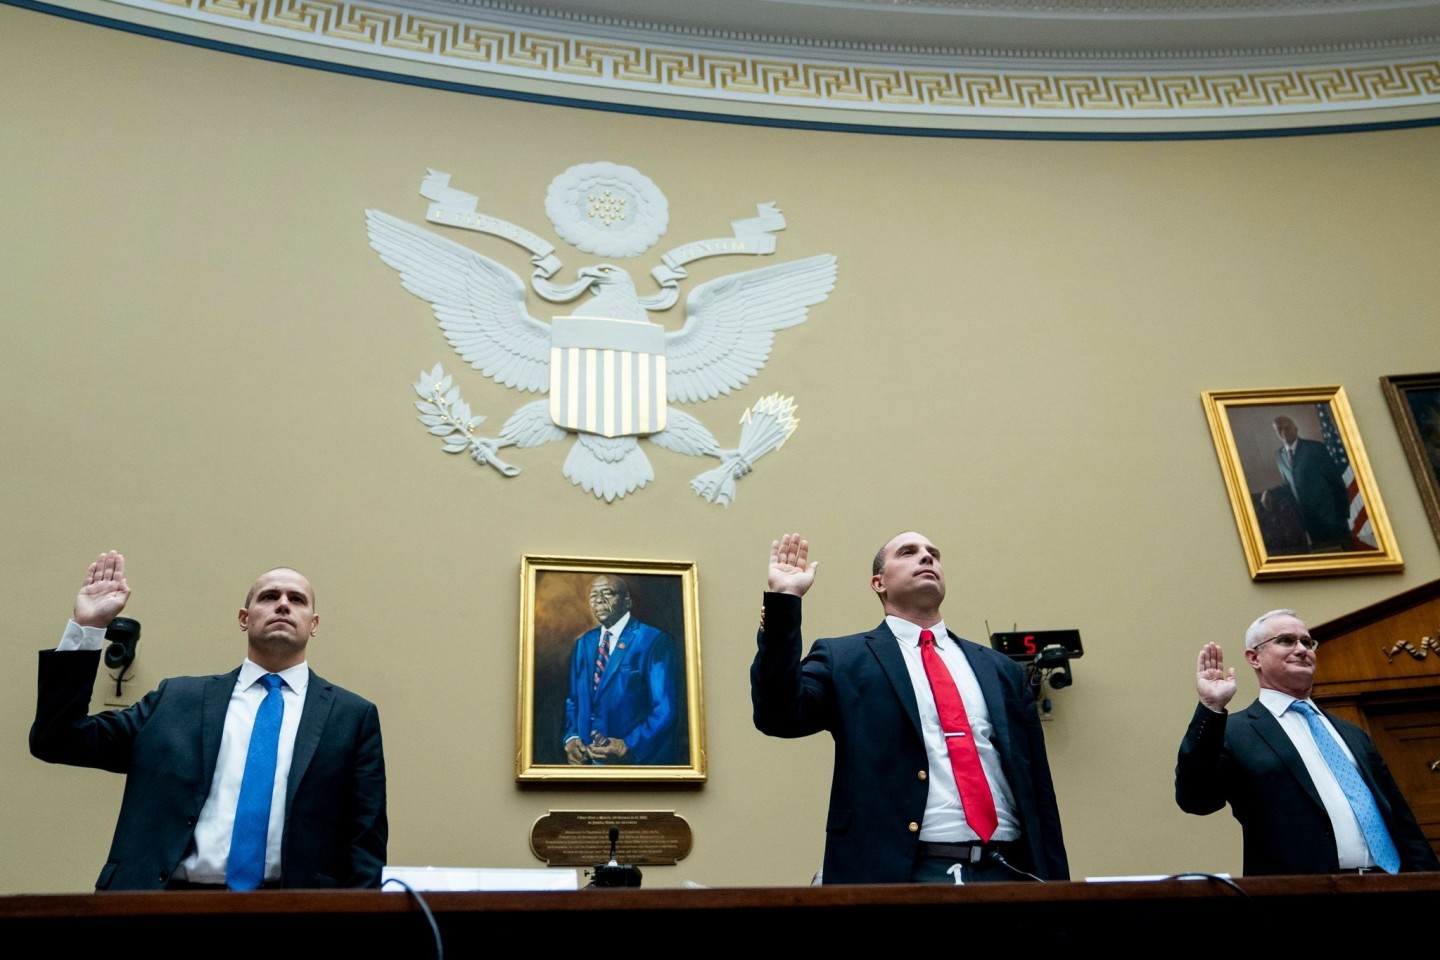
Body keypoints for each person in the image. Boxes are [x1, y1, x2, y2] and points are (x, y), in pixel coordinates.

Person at [30, 551, 388, 890]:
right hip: (168, 904)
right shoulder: (177, 701)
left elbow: (365, 843)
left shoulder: (351, 718)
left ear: (314, 624)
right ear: (244, 618)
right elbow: (58, 738)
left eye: (296, 599)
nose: (282, 604)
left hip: (294, 912)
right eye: (268, 597)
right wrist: (88, 628)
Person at [750, 532, 1069, 884]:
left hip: (1009, 868)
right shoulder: (845, 659)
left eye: (933, 552)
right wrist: (784, 601)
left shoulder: (1000, 669)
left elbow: (1039, 787)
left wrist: (1059, 888)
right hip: (905, 871)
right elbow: (777, 714)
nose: (927, 557)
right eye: (908, 552)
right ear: (879, 583)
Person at [1175, 608, 1436, 876]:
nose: (1302, 649)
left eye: (1307, 642)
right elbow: (1196, 799)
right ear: (1254, 658)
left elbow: (1402, 820)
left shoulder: (1352, 734)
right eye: (1286, 640)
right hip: (1304, 895)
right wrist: (1211, 707)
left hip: (1394, 888)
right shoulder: (1234, 732)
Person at [562, 575, 681, 765]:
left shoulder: (654, 641)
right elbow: (574, 700)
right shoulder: (584, 643)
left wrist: (628, 745)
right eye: (593, 596)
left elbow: (664, 710)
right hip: (587, 765)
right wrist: (571, 737)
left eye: (607, 593)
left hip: (635, 765)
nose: (599, 600)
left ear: (627, 602)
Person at [1262, 415, 1352, 551]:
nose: (1283, 432)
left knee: (1347, 553)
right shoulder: (1279, 456)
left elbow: (1335, 480)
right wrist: (1269, 492)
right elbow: (1289, 484)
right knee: (1327, 558)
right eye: (1279, 429)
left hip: (1331, 515)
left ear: (1296, 429)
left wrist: (1343, 513)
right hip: (1309, 519)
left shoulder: (1316, 448)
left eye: (1287, 427)